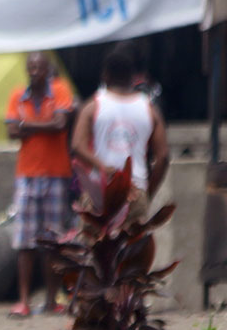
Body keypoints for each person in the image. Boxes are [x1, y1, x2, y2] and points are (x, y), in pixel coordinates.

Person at [5, 51, 76, 318]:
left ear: (48, 70)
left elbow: (61, 124)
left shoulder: (60, 89)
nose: (35, 71)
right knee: (24, 240)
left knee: (52, 241)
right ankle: (23, 300)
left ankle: (50, 300)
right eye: (32, 67)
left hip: (56, 173)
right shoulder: (17, 95)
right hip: (26, 173)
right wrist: (43, 125)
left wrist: (26, 125)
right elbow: (11, 131)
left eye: (40, 67)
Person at [71, 45, 169, 227]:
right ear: (132, 77)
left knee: (95, 243)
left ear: (105, 75)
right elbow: (163, 157)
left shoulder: (93, 106)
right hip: (135, 190)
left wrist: (103, 168)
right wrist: (147, 192)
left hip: (99, 191)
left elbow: (77, 146)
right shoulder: (150, 109)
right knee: (132, 244)